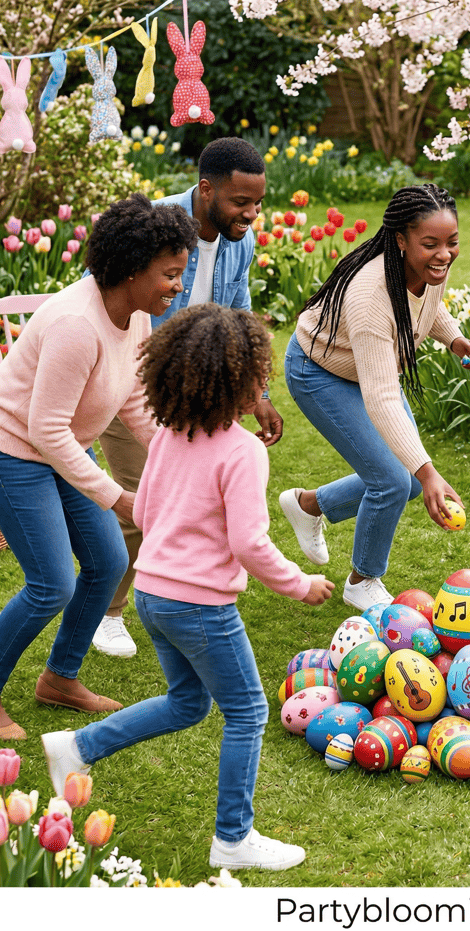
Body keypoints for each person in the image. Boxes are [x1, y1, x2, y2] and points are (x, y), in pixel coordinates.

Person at [42, 303, 334, 871]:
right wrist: (300, 584)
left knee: (187, 702)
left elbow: (146, 511)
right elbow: (250, 542)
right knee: (248, 711)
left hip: (151, 594)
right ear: (243, 382)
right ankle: (233, 838)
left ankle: (77, 748)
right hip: (200, 605)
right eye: (261, 375)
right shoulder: (243, 451)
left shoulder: (170, 436)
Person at [0, 193, 199, 741]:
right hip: (14, 451)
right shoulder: (76, 325)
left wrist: (177, 453)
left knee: (108, 562)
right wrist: (119, 497)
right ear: (132, 270)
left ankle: (59, 679)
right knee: (49, 584)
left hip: (65, 445)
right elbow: (43, 430)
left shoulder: (133, 315)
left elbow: (133, 399)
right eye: (169, 274)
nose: (177, 286)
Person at [92, 137, 279, 659]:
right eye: (241, 203)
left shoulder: (238, 241)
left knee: (205, 490)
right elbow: (101, 293)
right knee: (140, 497)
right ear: (205, 190)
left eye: (258, 203)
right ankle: (108, 614)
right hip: (131, 382)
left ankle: (191, 592)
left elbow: (238, 311)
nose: (251, 214)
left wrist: (256, 391)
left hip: (189, 393)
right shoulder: (154, 228)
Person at [280, 183, 470, 612]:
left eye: (452, 243)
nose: (444, 254)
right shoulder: (371, 296)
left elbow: (426, 305)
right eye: (430, 244)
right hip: (319, 370)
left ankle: (308, 505)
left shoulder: (427, 269)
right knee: (395, 480)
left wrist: (454, 339)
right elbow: (383, 398)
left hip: (365, 370)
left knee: (405, 477)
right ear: (401, 239)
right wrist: (430, 473)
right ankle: (363, 580)